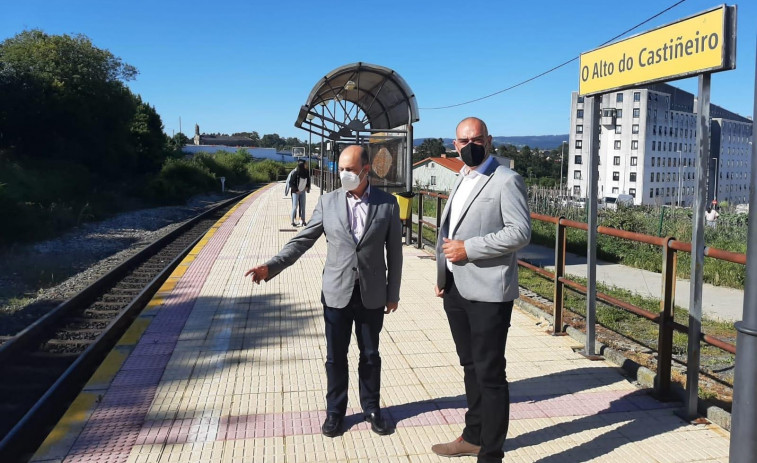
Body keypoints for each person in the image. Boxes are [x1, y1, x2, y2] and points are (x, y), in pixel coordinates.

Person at [245, 145, 403, 438]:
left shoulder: (387, 204)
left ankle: (372, 409)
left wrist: (393, 293)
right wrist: (271, 266)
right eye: (341, 169)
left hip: (371, 293)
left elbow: (394, 253)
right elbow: (302, 240)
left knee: (370, 354)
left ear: (366, 170)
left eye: (351, 170)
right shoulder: (328, 202)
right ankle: (335, 412)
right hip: (336, 292)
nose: (344, 174)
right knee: (335, 356)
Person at [431, 117, 531, 463]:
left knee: (490, 373)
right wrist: (443, 275)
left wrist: (469, 249)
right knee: (470, 367)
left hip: (490, 293)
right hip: (457, 289)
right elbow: (448, 229)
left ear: (488, 140)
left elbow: (520, 233)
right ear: (454, 145)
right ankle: (473, 435)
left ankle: (491, 453)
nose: (469, 145)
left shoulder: (506, 179)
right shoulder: (461, 177)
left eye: (475, 138)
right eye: (462, 140)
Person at [289, 159, 311, 226]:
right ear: (302, 165)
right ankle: (292, 221)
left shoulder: (306, 172)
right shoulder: (296, 173)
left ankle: (303, 220)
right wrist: (296, 190)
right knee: (295, 206)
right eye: (305, 164)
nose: (306, 165)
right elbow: (291, 183)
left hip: (303, 191)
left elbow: (308, 180)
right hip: (295, 192)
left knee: (303, 206)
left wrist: (307, 187)